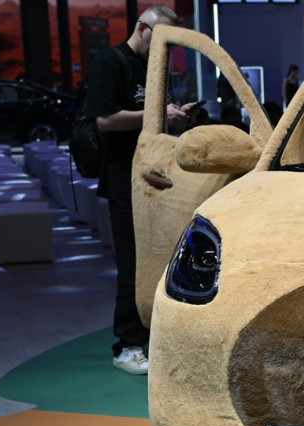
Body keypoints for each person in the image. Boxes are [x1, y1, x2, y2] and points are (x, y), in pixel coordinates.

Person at [85, 4, 197, 374]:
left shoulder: (153, 67)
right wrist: (161, 114)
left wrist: (176, 115)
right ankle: (127, 345)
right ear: (141, 28)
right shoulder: (111, 62)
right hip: (123, 181)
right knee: (132, 267)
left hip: (155, 180)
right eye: (160, 38)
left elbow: (153, 122)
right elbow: (104, 120)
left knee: (158, 264)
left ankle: (151, 339)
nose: (164, 48)